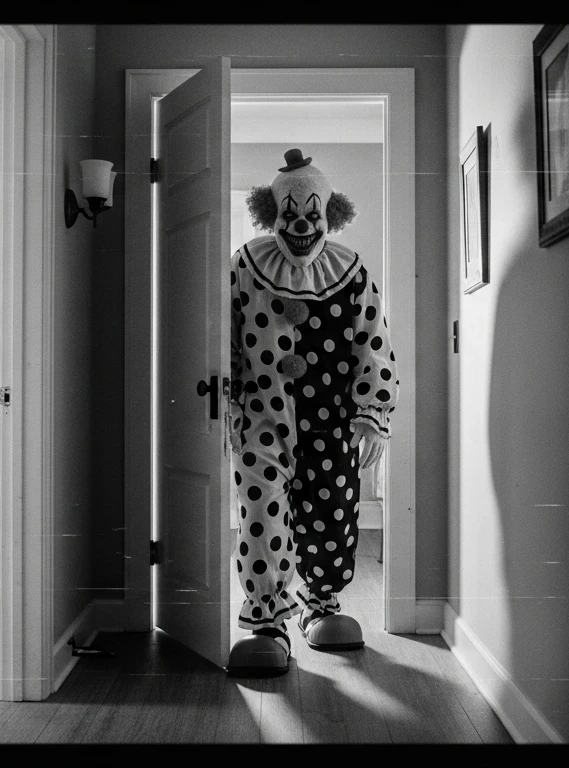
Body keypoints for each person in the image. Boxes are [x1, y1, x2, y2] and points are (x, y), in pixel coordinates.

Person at [225, 148, 399, 676]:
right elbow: (224, 337)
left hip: (333, 419)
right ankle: (268, 618)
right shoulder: (245, 265)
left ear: (331, 214)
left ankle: (320, 602)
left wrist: (373, 409)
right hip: (260, 416)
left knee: (332, 512)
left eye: (312, 215)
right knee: (261, 514)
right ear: (270, 213)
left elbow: (373, 339)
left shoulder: (351, 271)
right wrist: (224, 401)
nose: (301, 226)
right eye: (290, 215)